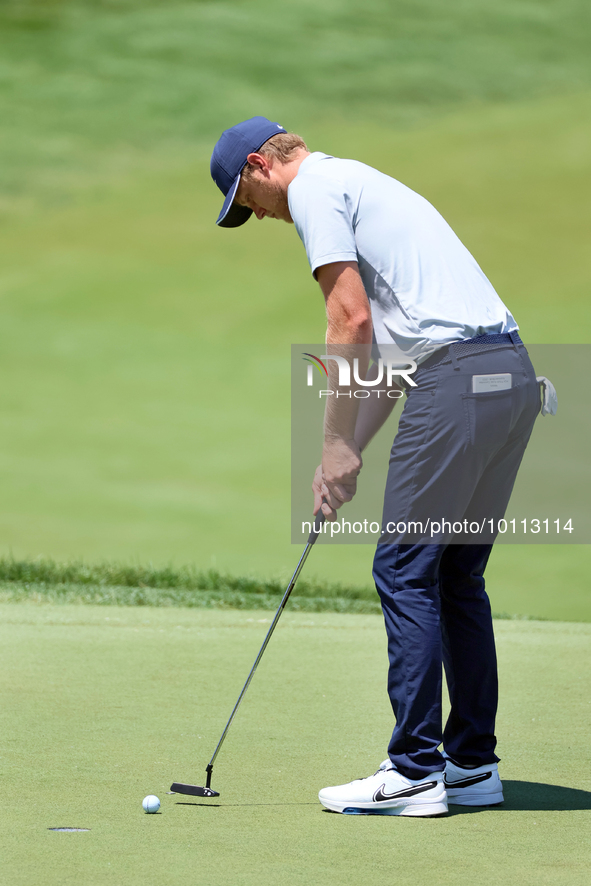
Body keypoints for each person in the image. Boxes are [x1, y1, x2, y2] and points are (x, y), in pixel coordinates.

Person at [210, 116, 542, 817]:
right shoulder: (359, 180)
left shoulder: (314, 192)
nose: (259, 216)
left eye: (247, 201)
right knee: (453, 572)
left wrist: (329, 444)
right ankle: (470, 765)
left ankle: (414, 770)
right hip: (506, 376)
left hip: (456, 380)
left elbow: (348, 322)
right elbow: (390, 359)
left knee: (402, 567)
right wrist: (347, 448)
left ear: (257, 166)